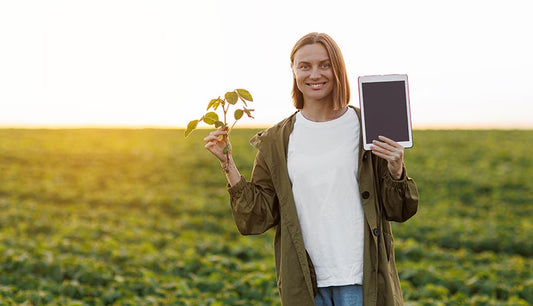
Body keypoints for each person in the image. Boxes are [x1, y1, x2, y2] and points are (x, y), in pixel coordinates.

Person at [203, 32, 419, 306]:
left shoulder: (368, 127)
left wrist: (396, 169)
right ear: (293, 71)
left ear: (337, 69)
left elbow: (400, 210)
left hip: (360, 279)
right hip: (306, 283)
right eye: (305, 66)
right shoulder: (276, 140)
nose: (315, 74)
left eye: (324, 65)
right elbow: (258, 217)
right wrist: (228, 164)